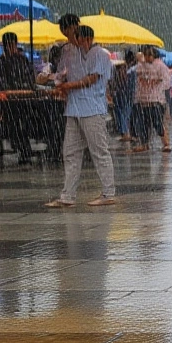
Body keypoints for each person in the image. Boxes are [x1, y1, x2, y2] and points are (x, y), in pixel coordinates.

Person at [46, 25, 115, 207]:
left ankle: (108, 193)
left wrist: (68, 86)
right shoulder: (70, 52)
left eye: (75, 38)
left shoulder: (99, 54)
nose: (73, 42)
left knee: (99, 151)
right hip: (73, 109)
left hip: (92, 108)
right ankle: (67, 195)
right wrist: (57, 84)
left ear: (85, 38)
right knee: (70, 152)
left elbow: (92, 79)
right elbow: (62, 74)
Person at [0, 32, 39, 163]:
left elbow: (30, 79)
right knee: (15, 125)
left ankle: (24, 148)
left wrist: (25, 87)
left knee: (24, 124)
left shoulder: (22, 60)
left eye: (13, 45)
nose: (12, 48)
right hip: (9, 103)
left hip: (23, 101)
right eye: (9, 45)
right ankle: (23, 149)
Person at [131, 46, 172, 153]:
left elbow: (166, 81)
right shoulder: (140, 65)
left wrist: (155, 83)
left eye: (149, 55)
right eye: (145, 55)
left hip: (156, 100)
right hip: (143, 100)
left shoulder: (160, 66)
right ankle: (144, 144)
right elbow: (135, 75)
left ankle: (166, 143)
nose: (147, 57)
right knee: (144, 124)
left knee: (158, 123)